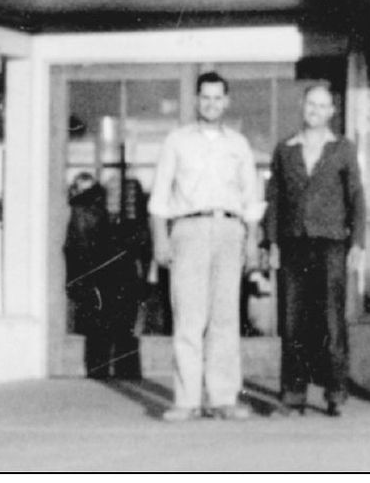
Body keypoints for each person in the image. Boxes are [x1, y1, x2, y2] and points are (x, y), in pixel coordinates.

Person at [148, 71, 265, 422]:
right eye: (205, 97)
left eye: (218, 98)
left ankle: (223, 397)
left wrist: (252, 242)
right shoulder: (177, 141)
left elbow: (251, 198)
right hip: (188, 229)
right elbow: (160, 195)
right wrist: (160, 237)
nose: (211, 104)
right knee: (189, 316)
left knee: (225, 318)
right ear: (197, 100)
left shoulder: (239, 144)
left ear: (226, 102)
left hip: (230, 230)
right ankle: (186, 400)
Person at [264, 82, 365, 417]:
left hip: (331, 244)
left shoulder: (343, 149)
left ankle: (336, 391)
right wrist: (273, 242)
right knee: (292, 320)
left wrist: (357, 242)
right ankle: (293, 393)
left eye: (323, 106)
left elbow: (357, 198)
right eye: (311, 105)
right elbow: (274, 199)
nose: (316, 112)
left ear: (332, 112)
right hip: (293, 244)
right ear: (302, 107)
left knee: (331, 320)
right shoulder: (285, 149)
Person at [64, 172, 142, 379]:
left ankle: (102, 370)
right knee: (119, 325)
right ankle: (123, 371)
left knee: (103, 325)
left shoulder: (84, 208)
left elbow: (76, 245)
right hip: (113, 270)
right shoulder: (89, 209)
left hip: (100, 270)